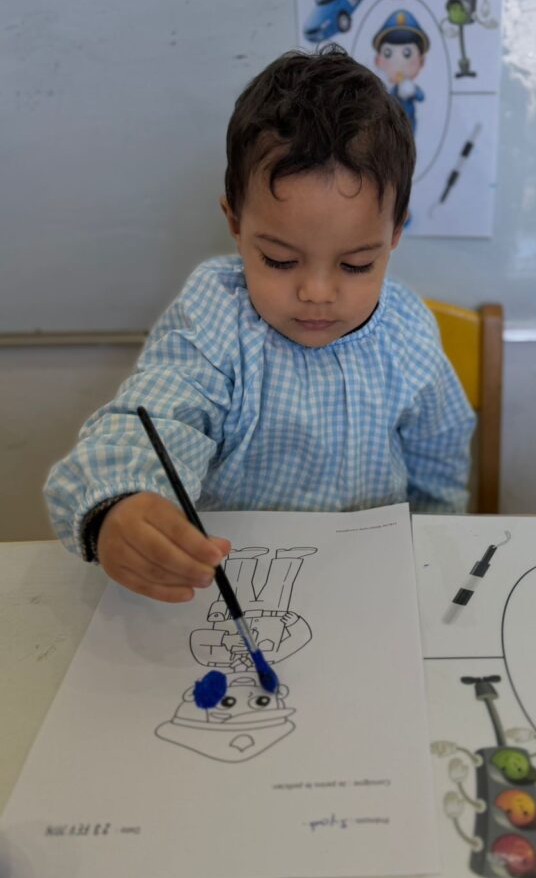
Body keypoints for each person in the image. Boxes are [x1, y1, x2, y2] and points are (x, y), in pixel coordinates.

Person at [44, 45, 475, 605]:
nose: (316, 292)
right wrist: (120, 502)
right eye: (279, 259)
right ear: (234, 221)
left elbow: (439, 463)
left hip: (370, 589)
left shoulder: (408, 332)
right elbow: (158, 416)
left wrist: (433, 552)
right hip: (228, 589)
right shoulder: (215, 317)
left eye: (355, 265)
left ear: (394, 234)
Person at [372, 9, 430, 134]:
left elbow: (420, 96)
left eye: (407, 53)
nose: (398, 62)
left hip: (408, 130)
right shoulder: (386, 89)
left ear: (422, 60)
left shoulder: (409, 88)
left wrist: (411, 90)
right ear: (377, 60)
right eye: (388, 53)